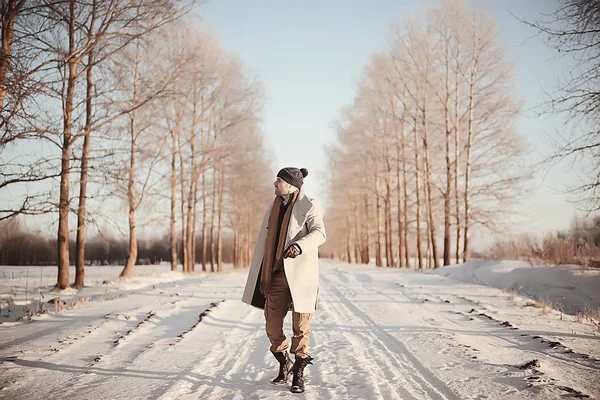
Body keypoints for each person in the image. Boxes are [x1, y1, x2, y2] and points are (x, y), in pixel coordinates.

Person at [242, 167, 326, 393]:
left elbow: (319, 233)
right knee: (272, 323)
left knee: (301, 325)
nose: (274, 183)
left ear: (291, 184)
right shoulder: (274, 206)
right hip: (277, 272)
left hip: (301, 274)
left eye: (278, 180)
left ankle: (298, 372)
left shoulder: (310, 205)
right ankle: (283, 361)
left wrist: (299, 246)